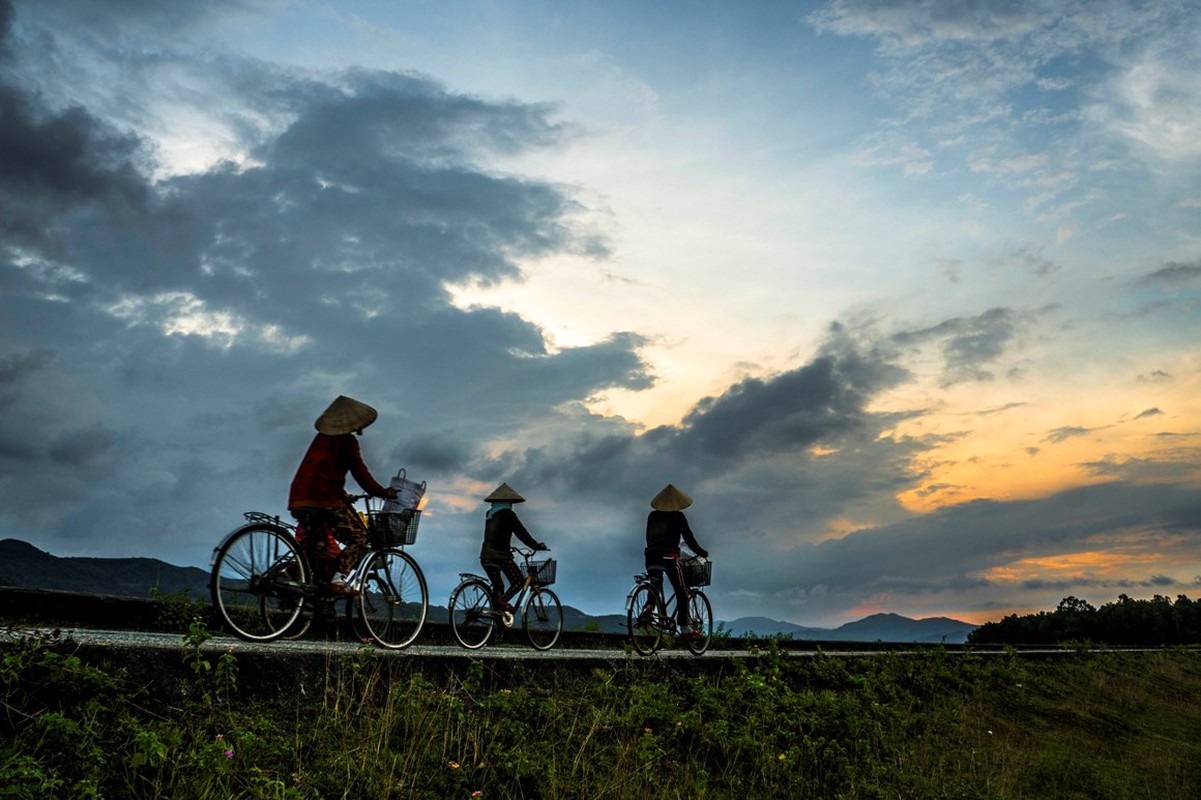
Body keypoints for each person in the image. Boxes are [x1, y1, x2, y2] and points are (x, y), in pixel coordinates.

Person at [288, 395, 396, 596]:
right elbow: (360, 473)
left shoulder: (320, 440)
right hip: (323, 499)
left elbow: (320, 472)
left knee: (315, 550)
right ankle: (339, 579)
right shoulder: (347, 441)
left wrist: (342, 495)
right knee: (360, 536)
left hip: (299, 495)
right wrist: (382, 492)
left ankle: (289, 575)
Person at [645, 483, 708, 638]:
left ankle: (649, 607)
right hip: (669, 557)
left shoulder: (652, 516)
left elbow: (648, 537)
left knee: (655, 583)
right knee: (682, 591)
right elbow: (689, 538)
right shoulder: (678, 516)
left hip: (651, 555)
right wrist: (701, 552)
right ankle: (685, 628)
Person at [479, 483, 547, 613]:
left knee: (498, 587)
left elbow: (497, 535)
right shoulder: (508, 514)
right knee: (518, 582)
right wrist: (536, 546)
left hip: (485, 556)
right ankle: (501, 602)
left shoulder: (490, 514)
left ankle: (496, 619)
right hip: (500, 557)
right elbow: (522, 533)